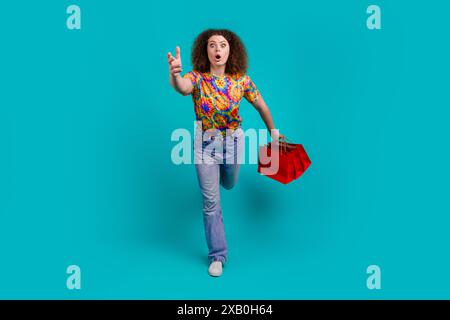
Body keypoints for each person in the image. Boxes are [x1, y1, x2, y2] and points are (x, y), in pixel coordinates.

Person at [167, 29, 284, 277]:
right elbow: (183, 87)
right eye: (212, 45)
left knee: (229, 183)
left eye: (222, 44)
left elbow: (261, 105)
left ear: (231, 50)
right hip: (205, 145)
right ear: (205, 51)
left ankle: (222, 175)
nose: (217, 49)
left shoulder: (241, 80)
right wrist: (175, 75)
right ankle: (217, 256)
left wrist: (273, 132)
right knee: (211, 202)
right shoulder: (197, 78)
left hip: (232, 142)